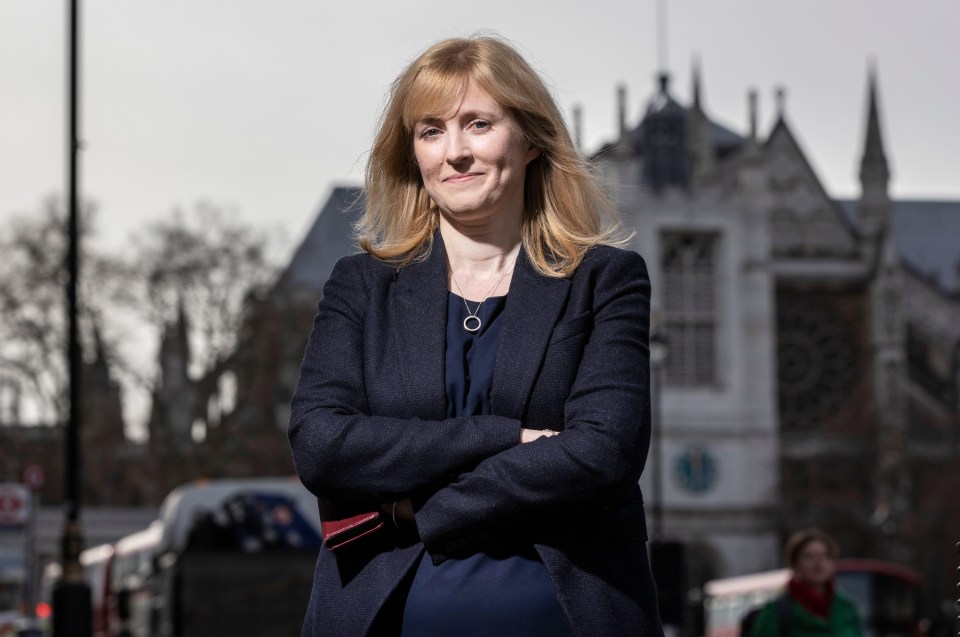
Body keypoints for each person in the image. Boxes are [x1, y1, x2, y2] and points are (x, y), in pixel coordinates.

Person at [288, 35, 663, 637]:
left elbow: (603, 452)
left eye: (478, 124)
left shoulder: (604, 281)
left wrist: (420, 509)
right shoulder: (361, 286)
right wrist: (506, 435)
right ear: (412, 153)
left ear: (533, 139)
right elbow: (321, 445)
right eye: (431, 131)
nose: (455, 152)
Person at [748, 529, 862, 637]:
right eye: (809, 557)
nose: (818, 563)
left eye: (825, 556)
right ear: (795, 564)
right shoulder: (777, 612)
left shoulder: (846, 608)